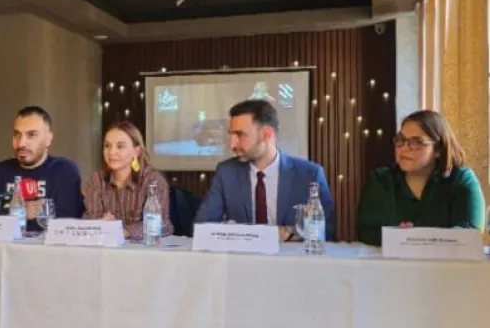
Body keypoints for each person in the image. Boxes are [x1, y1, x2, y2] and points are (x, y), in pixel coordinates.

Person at [194, 99, 335, 240]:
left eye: (240, 135)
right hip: (242, 254)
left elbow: (327, 232)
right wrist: (245, 232)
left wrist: (291, 233)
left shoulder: (309, 174)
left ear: (266, 134)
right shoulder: (226, 172)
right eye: (231, 135)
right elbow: (200, 227)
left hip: (291, 254)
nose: (232, 145)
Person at [356, 110, 485, 246]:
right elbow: (366, 231)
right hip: (391, 259)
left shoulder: (462, 179)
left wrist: (415, 238)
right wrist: (397, 235)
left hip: (446, 260)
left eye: (416, 142)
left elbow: (470, 232)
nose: (404, 148)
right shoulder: (380, 179)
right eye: (400, 140)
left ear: (438, 149)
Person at [0, 106, 83, 230]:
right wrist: (15, 213)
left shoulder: (64, 171)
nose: (21, 143)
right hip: (4, 242)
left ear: (48, 139)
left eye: (31, 135)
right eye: (17, 135)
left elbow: (68, 223)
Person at [83, 121, 173, 240]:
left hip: (144, 249)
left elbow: (163, 225)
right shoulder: (96, 180)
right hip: (105, 247)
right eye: (107, 146)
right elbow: (89, 221)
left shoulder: (152, 180)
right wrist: (100, 223)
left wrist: (125, 231)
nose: (111, 152)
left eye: (120, 146)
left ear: (137, 151)